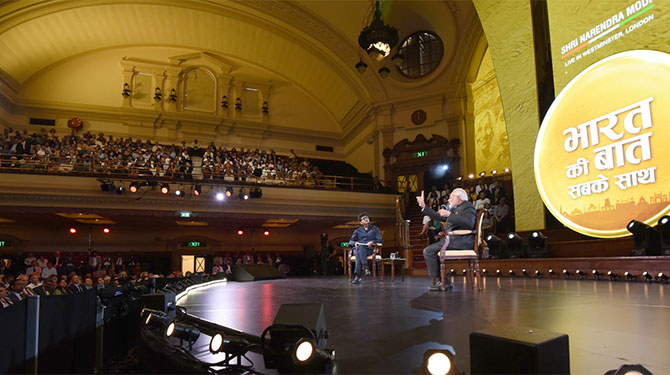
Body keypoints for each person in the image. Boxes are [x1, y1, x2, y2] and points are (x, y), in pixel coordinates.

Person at [416, 188, 476, 291]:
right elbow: (440, 217)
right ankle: (443, 281)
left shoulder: (468, 207)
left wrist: (449, 215)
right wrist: (424, 206)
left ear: (458, 198)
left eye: (451, 197)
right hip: (453, 240)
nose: (448, 200)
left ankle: (441, 281)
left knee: (429, 251)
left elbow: (469, 223)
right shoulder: (456, 208)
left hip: (461, 241)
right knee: (429, 251)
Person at [349, 212, 383, 285]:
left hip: (369, 250)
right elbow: (350, 241)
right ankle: (365, 267)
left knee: (358, 254)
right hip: (359, 248)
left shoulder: (375, 229)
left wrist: (372, 242)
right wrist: (355, 243)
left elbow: (380, 240)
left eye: (367, 218)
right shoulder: (357, 231)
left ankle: (358, 276)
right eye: (363, 219)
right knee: (359, 248)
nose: (366, 219)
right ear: (360, 222)